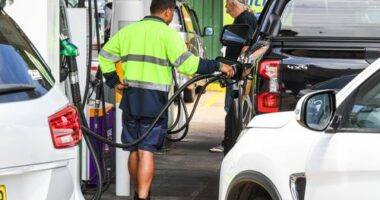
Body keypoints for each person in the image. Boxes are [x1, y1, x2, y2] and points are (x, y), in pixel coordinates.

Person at [98, 0, 235, 199]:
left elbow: (104, 55)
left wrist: (113, 81)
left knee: (134, 150)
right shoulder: (168, 34)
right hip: (155, 102)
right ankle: (144, 196)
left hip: (130, 98)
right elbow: (188, 65)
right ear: (168, 12)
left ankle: (138, 193)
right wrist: (218, 65)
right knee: (146, 151)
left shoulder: (129, 31)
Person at [209, 0, 258, 154]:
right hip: (235, 71)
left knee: (232, 108)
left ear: (233, 4)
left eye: (227, 6)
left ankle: (229, 143)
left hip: (237, 73)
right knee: (233, 107)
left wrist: (242, 67)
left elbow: (247, 45)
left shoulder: (245, 19)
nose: (226, 9)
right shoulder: (245, 18)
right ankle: (230, 141)